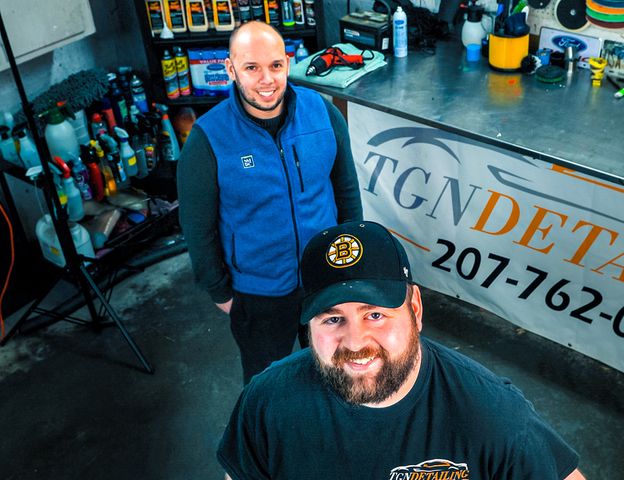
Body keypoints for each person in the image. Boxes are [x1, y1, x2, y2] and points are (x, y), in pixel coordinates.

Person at [218, 221, 586, 480]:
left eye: (375, 314)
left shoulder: (492, 415)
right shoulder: (266, 402)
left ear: (416, 309)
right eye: (332, 320)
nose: (355, 342)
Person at [177, 21, 362, 384]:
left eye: (276, 65)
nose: (267, 80)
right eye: (251, 68)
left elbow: (347, 192)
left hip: (324, 281)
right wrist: (221, 292)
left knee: (336, 374)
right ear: (231, 69)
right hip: (258, 295)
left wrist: (348, 263)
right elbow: (198, 226)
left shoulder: (322, 114)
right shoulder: (207, 140)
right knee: (267, 386)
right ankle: (272, 439)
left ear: (288, 63)